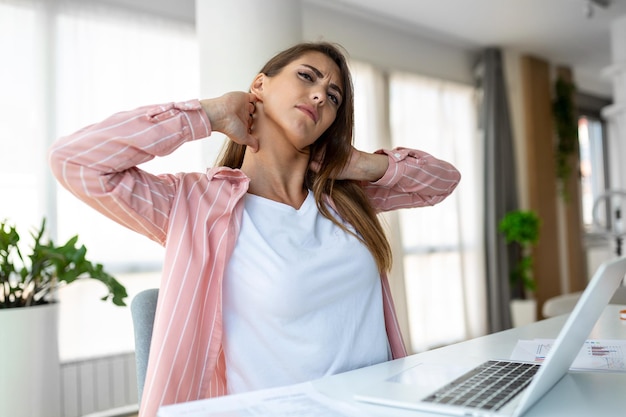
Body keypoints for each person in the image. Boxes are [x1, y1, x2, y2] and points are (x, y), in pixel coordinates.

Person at [49, 41, 461, 416]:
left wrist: (363, 164)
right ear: (259, 85)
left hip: (385, 406)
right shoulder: (197, 208)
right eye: (306, 76)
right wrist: (206, 115)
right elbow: (76, 162)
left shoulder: (343, 199)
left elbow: (442, 182)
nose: (320, 94)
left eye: (333, 97)